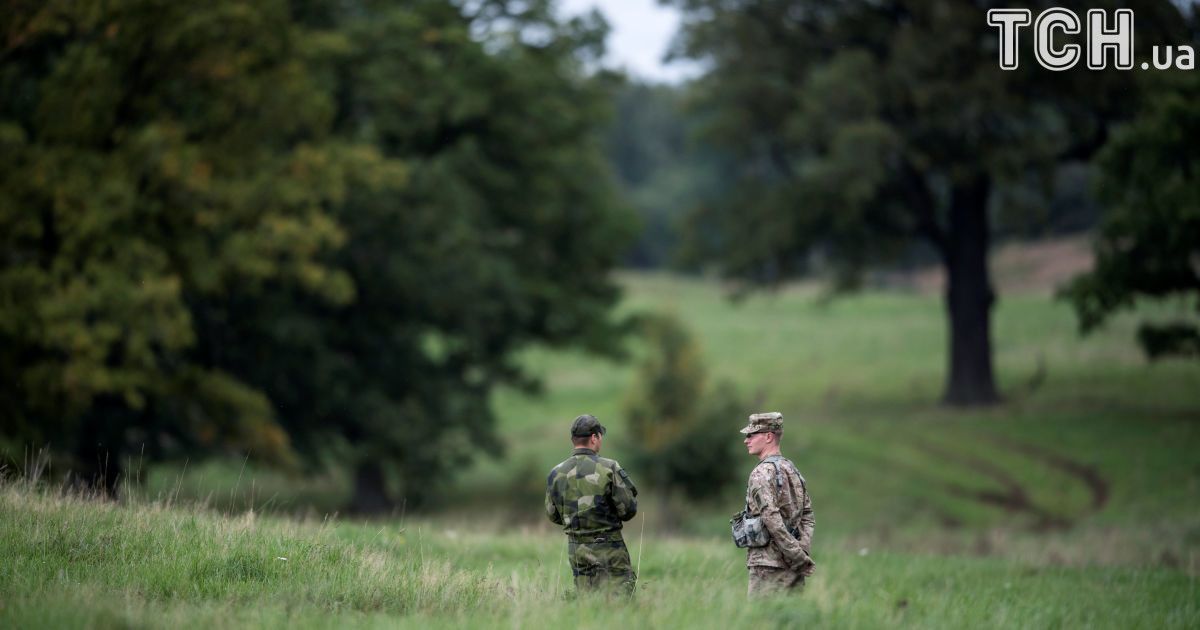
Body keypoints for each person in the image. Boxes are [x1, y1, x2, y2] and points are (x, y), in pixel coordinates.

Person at [545, 414, 639, 596]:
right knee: (621, 600)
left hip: (576, 549)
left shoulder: (555, 473)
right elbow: (628, 510)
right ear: (595, 437)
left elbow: (552, 514)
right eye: (600, 435)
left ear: (574, 440)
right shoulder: (609, 468)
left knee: (586, 603)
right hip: (610, 549)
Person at [741, 411, 815, 596]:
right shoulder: (793, 470)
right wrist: (801, 552)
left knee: (760, 622)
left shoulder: (760, 473)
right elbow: (808, 516)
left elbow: (770, 518)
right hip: (794, 567)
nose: (746, 440)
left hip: (767, 568)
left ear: (768, 436)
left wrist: (795, 554)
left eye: (751, 435)